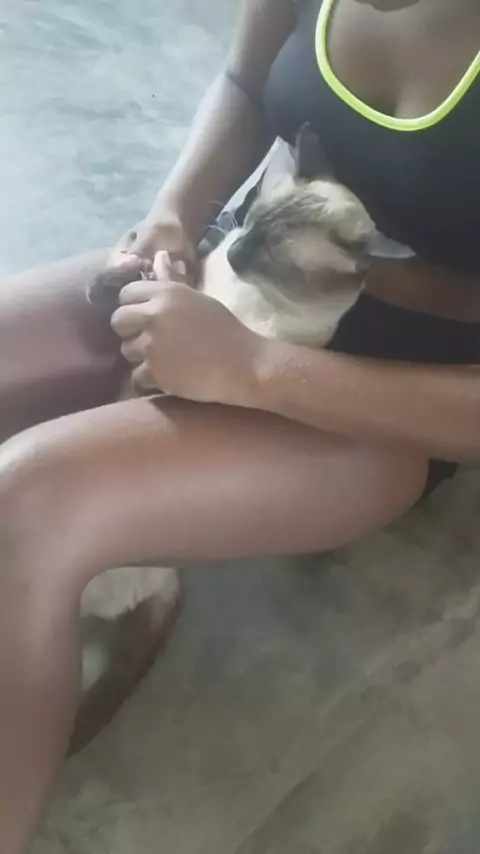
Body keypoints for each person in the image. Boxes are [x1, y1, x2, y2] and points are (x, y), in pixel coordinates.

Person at [1, 0, 480, 849]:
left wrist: (252, 371)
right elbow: (244, 83)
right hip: (241, 268)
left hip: (388, 399)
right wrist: (176, 212)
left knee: (31, 504)